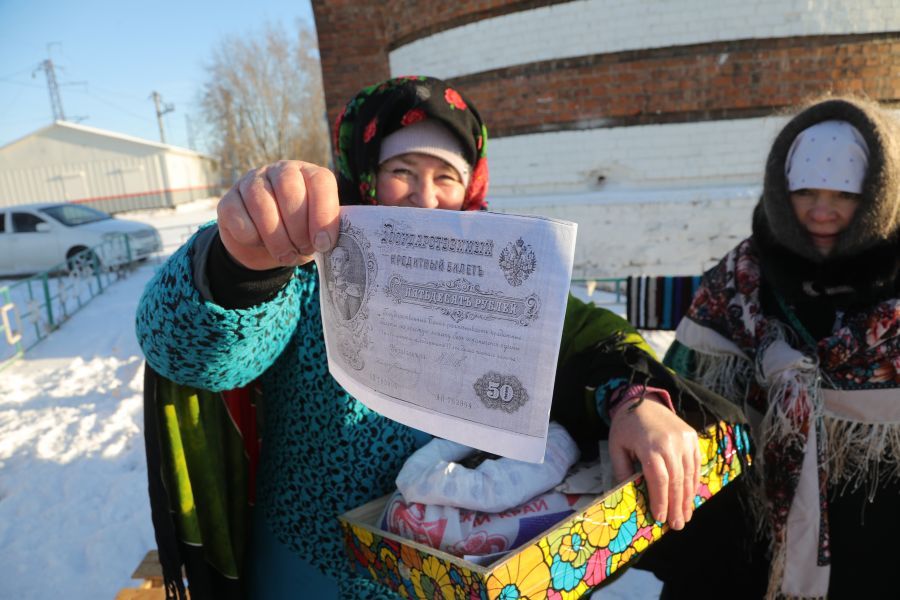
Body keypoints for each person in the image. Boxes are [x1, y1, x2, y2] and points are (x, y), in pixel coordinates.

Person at [137, 76, 735, 600]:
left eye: (446, 177)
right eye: (402, 172)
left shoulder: (499, 271)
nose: (426, 198)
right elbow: (192, 355)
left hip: (444, 572)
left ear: (471, 186)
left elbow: (582, 341)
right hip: (309, 561)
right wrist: (241, 262)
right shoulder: (307, 261)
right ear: (366, 175)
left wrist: (636, 400)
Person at [622, 95, 900, 599]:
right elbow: (679, 390)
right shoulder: (738, 282)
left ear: (877, 196)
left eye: (844, 194)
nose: (821, 211)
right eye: (805, 191)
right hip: (742, 540)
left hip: (872, 537)